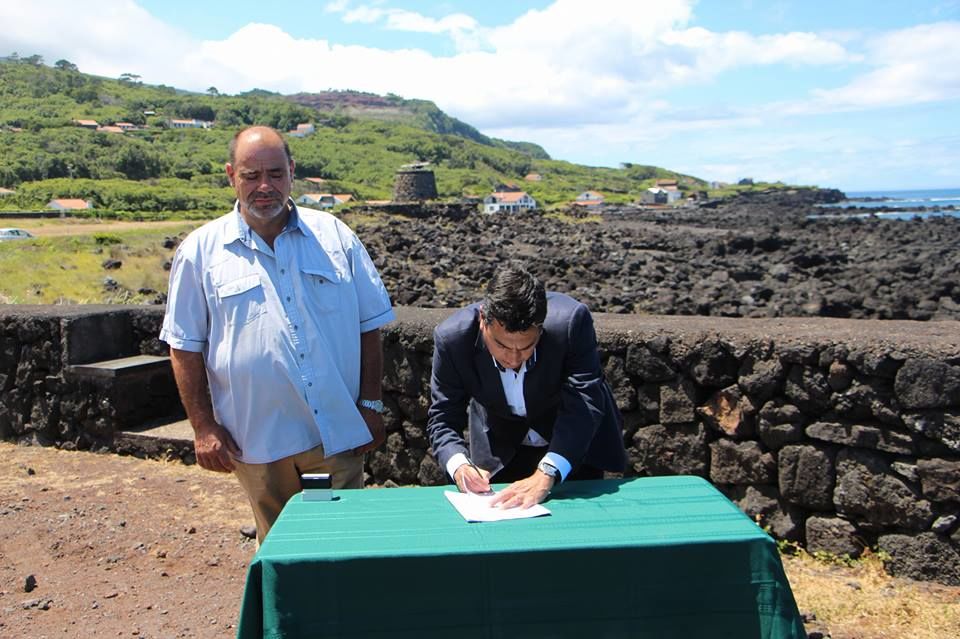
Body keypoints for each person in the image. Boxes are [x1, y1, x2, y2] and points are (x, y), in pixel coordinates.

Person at [160, 126, 395, 543]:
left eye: (275, 173)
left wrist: (371, 403)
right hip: (257, 441)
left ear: (292, 172)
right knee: (280, 551)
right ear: (231, 175)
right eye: (251, 175)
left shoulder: (336, 238)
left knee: (340, 544)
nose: (264, 186)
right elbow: (184, 346)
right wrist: (203, 427)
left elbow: (368, 324)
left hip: (334, 435)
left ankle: (338, 611)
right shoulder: (200, 252)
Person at [427, 265, 627, 509]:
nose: (512, 359)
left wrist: (549, 470)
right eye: (501, 346)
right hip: (500, 450)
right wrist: (459, 465)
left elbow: (584, 401)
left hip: (572, 445)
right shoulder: (452, 340)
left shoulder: (572, 322)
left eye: (525, 347)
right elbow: (442, 417)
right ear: (483, 321)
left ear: (540, 330)